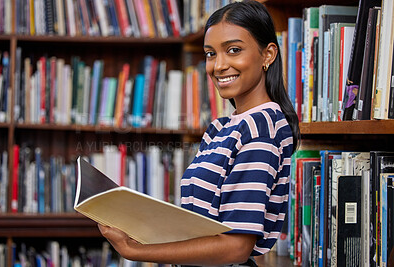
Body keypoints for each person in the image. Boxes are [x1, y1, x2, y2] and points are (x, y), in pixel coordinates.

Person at [98, 1, 300, 266]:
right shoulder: (223, 128)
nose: (218, 65)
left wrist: (134, 250)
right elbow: (201, 222)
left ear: (268, 55)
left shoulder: (259, 129)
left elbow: (236, 247)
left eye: (234, 50)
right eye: (210, 54)